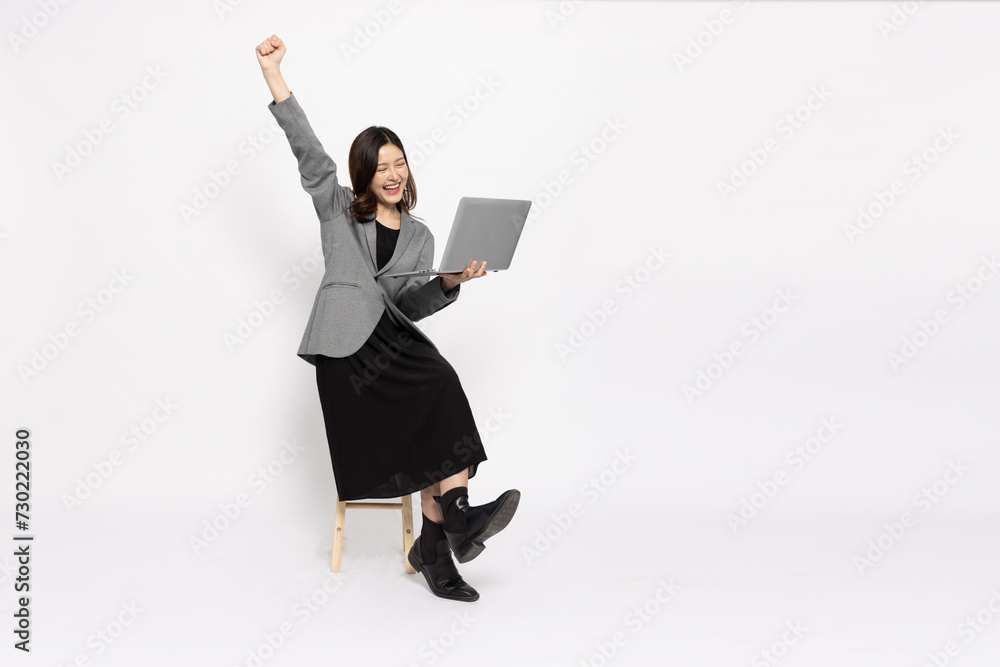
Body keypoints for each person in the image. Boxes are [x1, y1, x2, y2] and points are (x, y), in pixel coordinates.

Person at [255, 34, 519, 602]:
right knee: (434, 394)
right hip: (346, 354)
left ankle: (447, 527)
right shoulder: (338, 209)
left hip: (392, 341)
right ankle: (447, 533)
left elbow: (408, 304)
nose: (393, 174)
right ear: (364, 174)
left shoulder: (420, 236)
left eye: (399, 163)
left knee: (441, 383)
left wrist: (447, 283)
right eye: (381, 167)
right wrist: (274, 75)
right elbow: (307, 149)